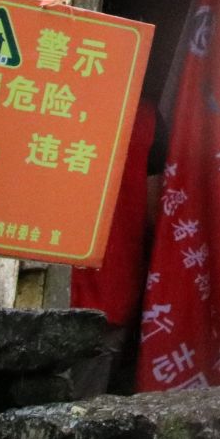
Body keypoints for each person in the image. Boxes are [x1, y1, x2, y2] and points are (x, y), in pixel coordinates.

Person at [70, 89, 161, 394]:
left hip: (37, 286)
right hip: (110, 289)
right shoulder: (146, 118)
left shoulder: (40, 98)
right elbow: (155, 211)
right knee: (85, 406)